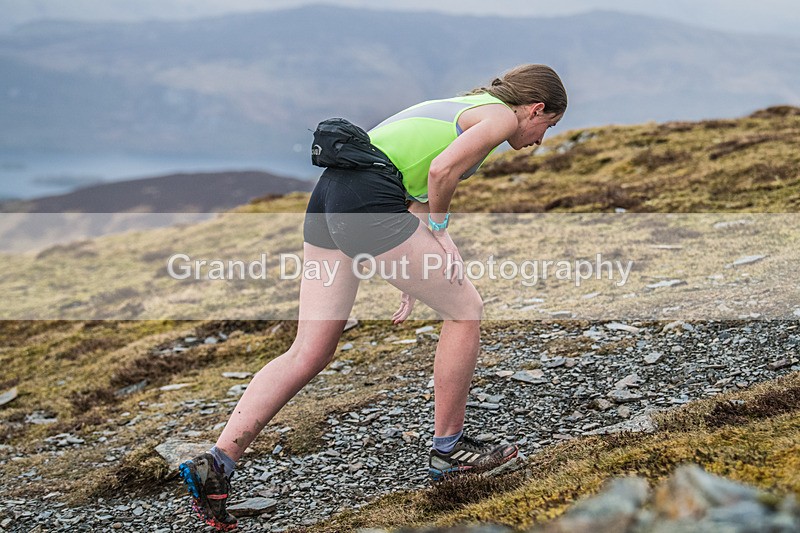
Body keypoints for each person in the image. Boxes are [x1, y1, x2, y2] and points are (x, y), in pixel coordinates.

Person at [179, 63, 567, 531]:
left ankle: (218, 463)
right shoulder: (501, 117)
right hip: (365, 202)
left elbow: (411, 189)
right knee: (466, 312)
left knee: (310, 348)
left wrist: (410, 272)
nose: (542, 138)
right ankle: (450, 451)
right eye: (549, 125)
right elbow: (442, 172)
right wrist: (441, 233)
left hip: (329, 198)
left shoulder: (460, 106)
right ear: (536, 108)